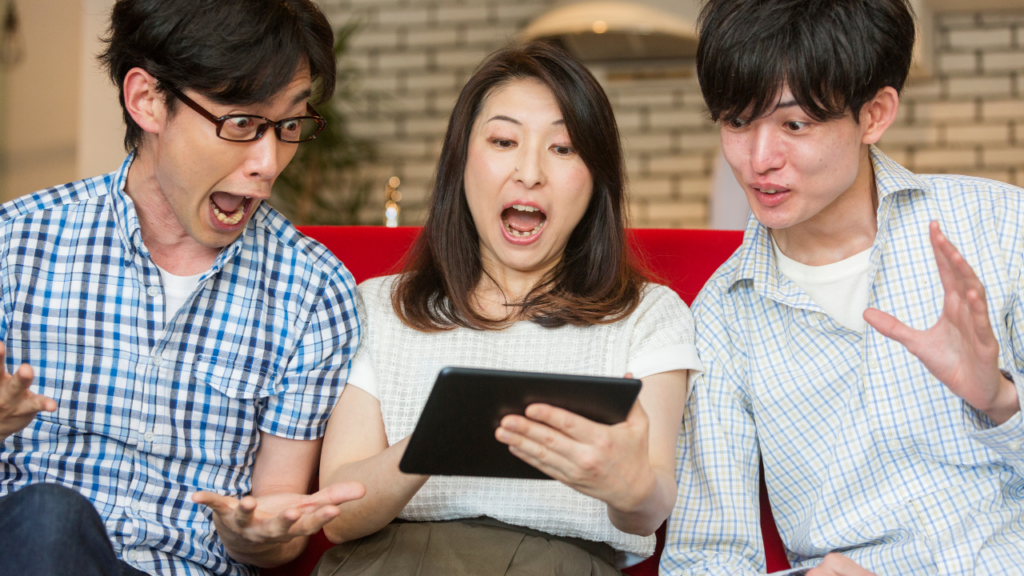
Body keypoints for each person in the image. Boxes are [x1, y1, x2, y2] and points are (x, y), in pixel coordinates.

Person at [0, 1, 365, 575]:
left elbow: (275, 520)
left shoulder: (313, 291)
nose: (268, 164)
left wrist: (255, 535)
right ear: (147, 100)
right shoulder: (16, 245)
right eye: (241, 123)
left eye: (290, 126)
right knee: (49, 520)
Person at [661, 1, 1024, 575]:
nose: (759, 160)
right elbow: (705, 557)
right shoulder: (723, 317)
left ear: (874, 115)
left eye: (795, 125)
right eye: (736, 122)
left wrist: (1000, 401)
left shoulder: (999, 226)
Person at [314, 42, 701, 575]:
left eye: (563, 148)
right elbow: (338, 517)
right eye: (503, 141)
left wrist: (632, 487)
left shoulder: (649, 315)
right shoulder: (379, 305)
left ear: (597, 178)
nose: (530, 172)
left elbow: (647, 512)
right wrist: (441, 435)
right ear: (460, 162)